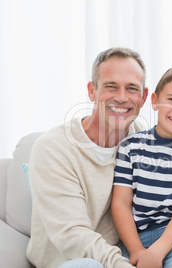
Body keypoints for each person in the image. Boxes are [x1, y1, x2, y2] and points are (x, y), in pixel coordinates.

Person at [27, 47, 148, 268]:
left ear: (144, 96)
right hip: (68, 261)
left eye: (132, 88)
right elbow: (72, 235)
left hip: (120, 258)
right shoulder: (53, 148)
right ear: (92, 91)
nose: (122, 98)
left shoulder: (143, 140)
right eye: (111, 87)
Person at [111, 65, 172, 268]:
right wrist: (136, 249)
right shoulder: (131, 146)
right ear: (155, 101)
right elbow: (121, 203)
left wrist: (158, 250)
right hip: (138, 236)